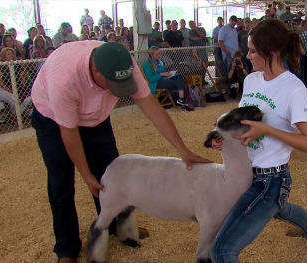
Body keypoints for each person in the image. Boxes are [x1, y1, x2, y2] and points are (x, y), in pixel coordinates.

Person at [30, 42, 210, 263]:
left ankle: (118, 227)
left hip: (95, 118)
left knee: (113, 174)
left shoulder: (123, 62)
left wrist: (183, 150)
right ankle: (66, 248)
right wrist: (87, 176)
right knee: (61, 182)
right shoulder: (64, 80)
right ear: (96, 71)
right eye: (114, 84)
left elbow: (150, 106)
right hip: (52, 120)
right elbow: (70, 135)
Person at [210, 19, 307, 263]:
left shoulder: (293, 89)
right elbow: (245, 123)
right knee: (279, 208)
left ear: (271, 52)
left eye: (253, 50)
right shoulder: (252, 80)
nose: (248, 56)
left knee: (222, 252)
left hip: (271, 179)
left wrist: (268, 130)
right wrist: (227, 137)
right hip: (244, 173)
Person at [0, 47, 32, 121]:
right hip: (1, 89)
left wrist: (22, 90)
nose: (11, 55)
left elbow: (22, 82)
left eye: (12, 54)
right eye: (8, 54)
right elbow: (0, 83)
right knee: (15, 100)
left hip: (16, 88)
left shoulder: (17, 65)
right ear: (4, 56)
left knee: (29, 99)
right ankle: (18, 115)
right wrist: (11, 91)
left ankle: (15, 115)